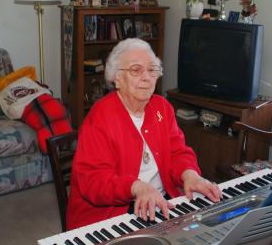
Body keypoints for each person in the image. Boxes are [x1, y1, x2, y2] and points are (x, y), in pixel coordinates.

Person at [66, 38, 221, 230]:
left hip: (161, 202)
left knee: (207, 233)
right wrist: (137, 187)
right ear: (117, 78)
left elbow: (178, 152)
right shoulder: (99, 118)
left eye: (152, 69)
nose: (146, 77)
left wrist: (189, 174)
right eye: (136, 70)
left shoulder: (162, 108)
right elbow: (94, 181)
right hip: (112, 215)